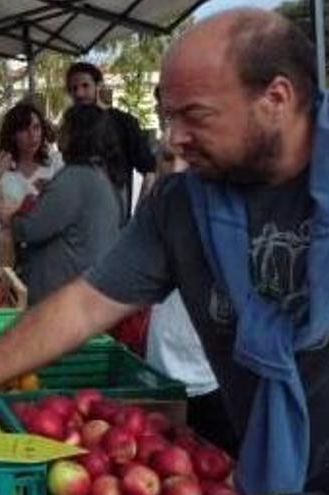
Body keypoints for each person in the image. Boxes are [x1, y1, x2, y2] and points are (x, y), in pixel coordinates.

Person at [0, 9, 329, 495]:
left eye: (194, 115)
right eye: (167, 114)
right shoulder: (183, 205)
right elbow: (85, 303)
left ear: (277, 97)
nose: (174, 140)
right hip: (270, 473)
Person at [145, 142, 236, 453]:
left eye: (188, 159)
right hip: (162, 372)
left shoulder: (226, 218)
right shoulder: (157, 213)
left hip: (211, 380)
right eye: (167, 158)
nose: (177, 169)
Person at [0, 104, 123, 306]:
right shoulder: (95, 175)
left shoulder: (74, 178)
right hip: (80, 292)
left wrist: (11, 217)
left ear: (77, 134)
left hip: (64, 298)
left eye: (64, 127)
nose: (58, 133)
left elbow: (30, 229)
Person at [66, 62, 156, 222]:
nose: (79, 93)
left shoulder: (124, 122)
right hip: (80, 227)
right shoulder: (70, 126)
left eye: (85, 86)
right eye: (73, 89)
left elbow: (149, 171)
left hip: (116, 224)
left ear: (99, 86)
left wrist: (137, 218)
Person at [0, 102, 61, 280]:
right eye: (24, 130)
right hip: (6, 250)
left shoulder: (55, 165)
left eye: (36, 127)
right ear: (13, 134)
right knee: (6, 301)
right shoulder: (0, 164)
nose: (32, 135)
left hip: (45, 252)